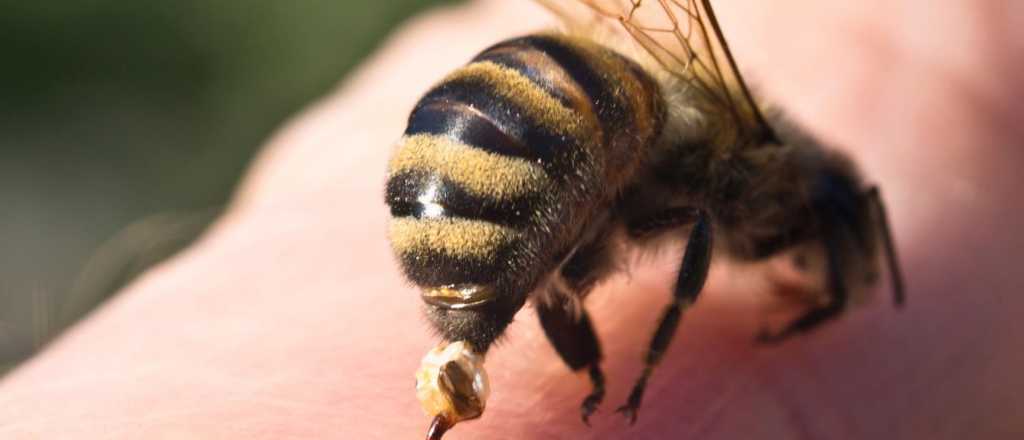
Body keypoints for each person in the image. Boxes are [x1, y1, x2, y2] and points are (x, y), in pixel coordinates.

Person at [2, 1, 1021, 438]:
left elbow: (588, 232)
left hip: (490, 129)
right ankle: (566, 367)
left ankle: (498, 353)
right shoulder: (735, 165)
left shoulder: (656, 152)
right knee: (629, 207)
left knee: (577, 218)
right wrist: (650, 368)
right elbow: (683, 228)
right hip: (534, 131)